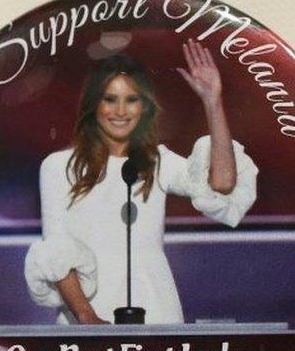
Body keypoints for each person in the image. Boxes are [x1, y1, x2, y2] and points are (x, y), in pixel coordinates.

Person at [24, 40, 259, 325]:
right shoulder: (57, 167)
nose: (121, 111)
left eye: (131, 99)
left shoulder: (157, 162)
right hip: (86, 316)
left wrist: (212, 102)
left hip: (156, 309)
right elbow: (56, 250)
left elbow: (221, 184)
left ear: (143, 106)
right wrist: (89, 319)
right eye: (110, 99)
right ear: (94, 104)